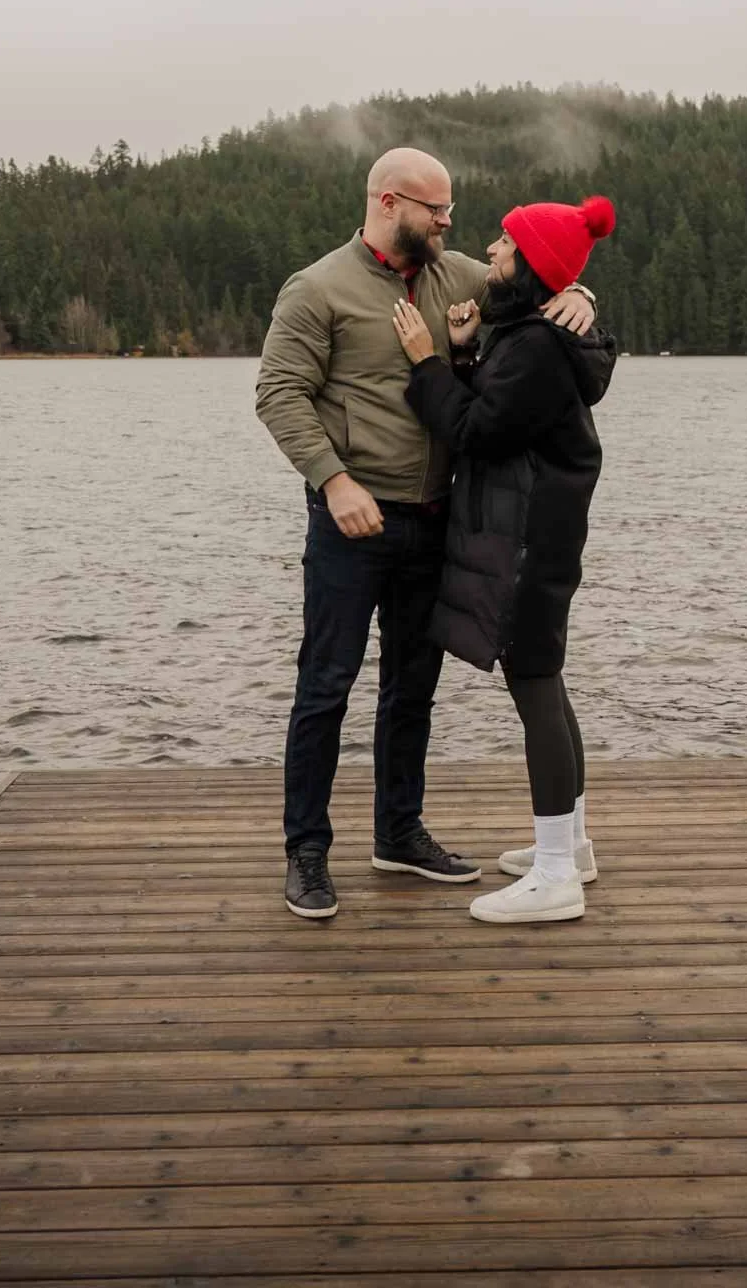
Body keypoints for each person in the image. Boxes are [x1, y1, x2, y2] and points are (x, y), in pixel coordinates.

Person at [255, 148, 597, 919]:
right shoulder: (317, 288)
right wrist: (332, 479)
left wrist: (581, 295)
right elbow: (278, 393)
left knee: (413, 690)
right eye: (434, 210)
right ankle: (306, 851)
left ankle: (398, 833)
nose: (449, 222)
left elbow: (532, 285)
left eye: (450, 210)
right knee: (325, 687)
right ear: (388, 202)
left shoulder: (458, 274)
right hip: (351, 520)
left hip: (433, 522)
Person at [391, 194, 617, 923]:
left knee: (535, 686)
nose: (491, 251)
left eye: (505, 247)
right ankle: (571, 845)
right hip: (540, 538)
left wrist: (427, 364)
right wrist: (462, 354)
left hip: (530, 542)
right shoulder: (527, 334)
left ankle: (555, 878)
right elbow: (494, 411)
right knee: (546, 683)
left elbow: (475, 431)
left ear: (533, 268)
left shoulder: (539, 348)